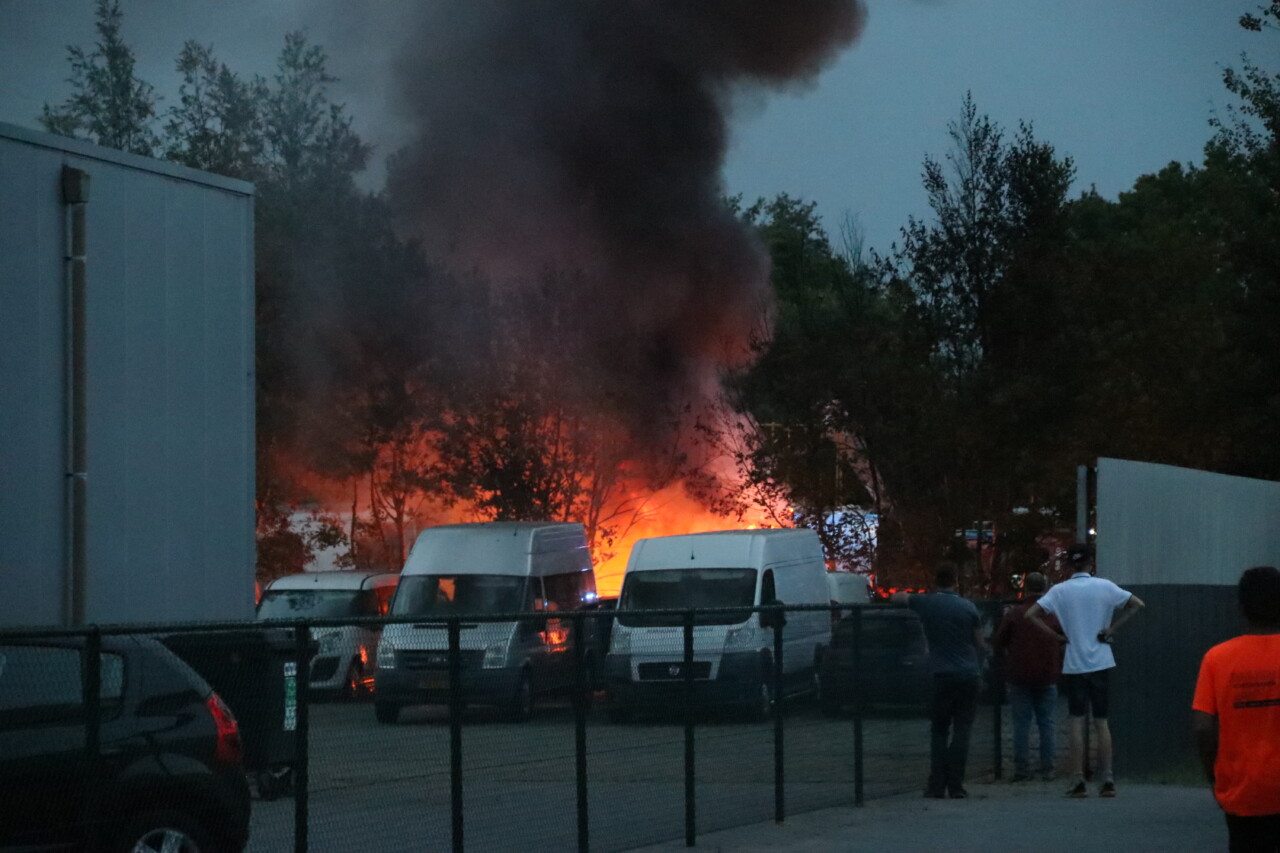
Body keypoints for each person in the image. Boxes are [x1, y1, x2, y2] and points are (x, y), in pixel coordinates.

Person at [1025, 543, 1144, 799]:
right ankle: (1108, 778)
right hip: (1101, 661)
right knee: (1102, 723)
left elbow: (1032, 615)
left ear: (1070, 564)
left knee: (1077, 722)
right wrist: (1111, 629)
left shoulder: (1060, 591)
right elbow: (1137, 604)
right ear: (1091, 563)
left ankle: (1077, 779)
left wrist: (1058, 636)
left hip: (1074, 663)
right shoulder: (1105, 587)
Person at [1192, 566, 1280, 853]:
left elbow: (1203, 727)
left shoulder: (1217, 659)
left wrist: (1215, 778)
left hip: (1244, 792)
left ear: (1241, 608)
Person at [892, 562, 986, 799]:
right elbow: (979, 642)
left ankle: (936, 784)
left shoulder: (927, 603)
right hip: (968, 674)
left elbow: (898, 598)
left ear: (936, 581)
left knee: (939, 731)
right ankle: (956, 784)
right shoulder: (968, 607)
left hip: (940, 673)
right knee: (962, 730)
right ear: (956, 581)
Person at [993, 571, 1064, 782]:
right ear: (1045, 589)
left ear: (1025, 588)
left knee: (1022, 724)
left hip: (1019, 676)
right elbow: (1063, 639)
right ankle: (1048, 767)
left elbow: (999, 641)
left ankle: (1021, 769)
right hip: (1047, 675)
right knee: (1047, 723)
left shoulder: (1016, 613)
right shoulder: (1052, 614)